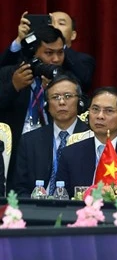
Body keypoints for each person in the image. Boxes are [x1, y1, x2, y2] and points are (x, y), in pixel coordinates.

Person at [0, 25, 71, 190]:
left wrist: (52, 93)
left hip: (47, 146)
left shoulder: (65, 81)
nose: (55, 59)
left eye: (60, 52)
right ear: (34, 54)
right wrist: (13, 87)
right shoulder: (10, 74)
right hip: (14, 147)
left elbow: (70, 117)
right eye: (48, 53)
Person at [57, 87, 117, 197]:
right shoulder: (70, 154)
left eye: (109, 111)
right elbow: (63, 200)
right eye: (95, 109)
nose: (100, 116)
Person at [13, 74, 89, 197]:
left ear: (80, 102)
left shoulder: (90, 137)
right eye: (55, 97)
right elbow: (20, 188)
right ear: (47, 105)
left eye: (68, 96)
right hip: (37, 208)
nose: (62, 102)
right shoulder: (30, 140)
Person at [0, 11, 95, 92]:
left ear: (73, 35)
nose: (54, 26)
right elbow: (4, 69)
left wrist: (58, 40)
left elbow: (84, 82)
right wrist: (19, 40)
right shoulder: (29, 58)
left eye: (61, 23)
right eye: (50, 22)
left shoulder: (83, 60)